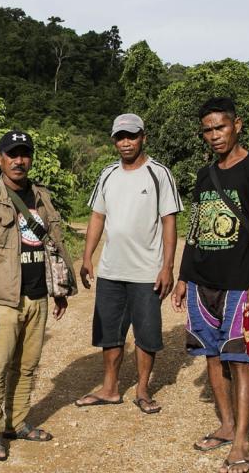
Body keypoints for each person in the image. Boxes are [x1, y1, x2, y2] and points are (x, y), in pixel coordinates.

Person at [172, 97, 249, 473]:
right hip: (203, 282)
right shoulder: (206, 175)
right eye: (208, 129)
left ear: (238, 125)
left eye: (220, 127)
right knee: (212, 355)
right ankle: (226, 424)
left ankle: (241, 444)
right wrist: (184, 276)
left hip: (240, 282)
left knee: (241, 359)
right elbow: (197, 230)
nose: (214, 135)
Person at [0, 130, 71, 462]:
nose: (19, 160)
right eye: (12, 154)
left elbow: (53, 246)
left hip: (37, 296)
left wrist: (59, 290)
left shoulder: (41, 197)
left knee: (27, 367)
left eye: (24, 153)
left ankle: (17, 422)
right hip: (3, 299)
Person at [76, 113, 181, 414]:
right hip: (111, 270)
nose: (126, 142)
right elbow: (98, 216)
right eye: (120, 137)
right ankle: (109, 388)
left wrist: (167, 267)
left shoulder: (159, 173)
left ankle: (143, 389)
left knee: (146, 334)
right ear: (114, 140)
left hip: (147, 271)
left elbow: (169, 221)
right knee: (110, 332)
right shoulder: (108, 174)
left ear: (143, 138)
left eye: (131, 136)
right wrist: (87, 257)